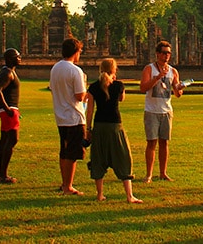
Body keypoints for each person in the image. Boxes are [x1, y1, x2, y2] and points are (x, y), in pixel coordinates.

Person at [85, 58, 143, 203]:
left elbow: (90, 111)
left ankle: (99, 194)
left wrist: (88, 128)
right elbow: (121, 99)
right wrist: (114, 81)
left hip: (99, 125)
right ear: (114, 70)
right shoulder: (118, 85)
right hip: (115, 126)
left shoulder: (93, 87)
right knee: (123, 157)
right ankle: (129, 195)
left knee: (98, 158)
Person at [139, 40, 184, 182]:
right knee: (151, 143)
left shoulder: (173, 71)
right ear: (157, 54)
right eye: (164, 53)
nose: (166, 56)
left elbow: (177, 94)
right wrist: (157, 77)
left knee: (164, 142)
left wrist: (180, 88)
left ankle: (163, 173)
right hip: (152, 111)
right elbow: (143, 88)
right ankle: (149, 174)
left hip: (166, 110)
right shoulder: (149, 69)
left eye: (169, 53)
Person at [49, 37, 87, 195]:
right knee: (72, 152)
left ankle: (64, 183)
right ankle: (68, 186)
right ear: (76, 52)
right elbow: (79, 96)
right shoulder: (75, 70)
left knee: (64, 150)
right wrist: (85, 88)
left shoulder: (55, 68)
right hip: (74, 116)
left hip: (61, 115)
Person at [0, 48, 22, 184]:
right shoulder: (8, 73)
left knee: (5, 139)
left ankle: (1, 173)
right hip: (9, 110)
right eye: (17, 56)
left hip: (8, 109)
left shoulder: (9, 72)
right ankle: (3, 175)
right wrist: (7, 108)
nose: (20, 58)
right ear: (10, 59)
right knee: (12, 140)